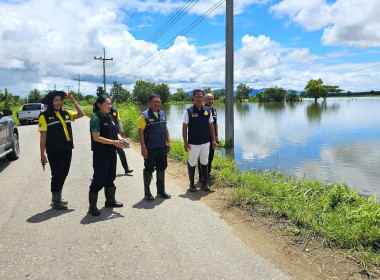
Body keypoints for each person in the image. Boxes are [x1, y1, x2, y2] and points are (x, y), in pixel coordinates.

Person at [39, 90, 84, 210]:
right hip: (54, 151)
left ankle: (57, 198)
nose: (58, 102)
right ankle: (56, 201)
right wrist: (42, 154)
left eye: (60, 100)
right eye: (56, 100)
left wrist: (73, 100)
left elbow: (81, 114)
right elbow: (43, 136)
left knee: (64, 174)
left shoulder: (65, 113)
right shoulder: (44, 116)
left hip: (67, 148)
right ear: (51, 101)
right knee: (57, 175)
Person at [88, 95, 126, 216]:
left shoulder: (110, 117)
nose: (110, 106)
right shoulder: (95, 119)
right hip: (100, 154)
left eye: (111, 104)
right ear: (99, 105)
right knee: (98, 180)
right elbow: (96, 137)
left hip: (111, 153)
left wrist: (121, 139)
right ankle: (92, 207)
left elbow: (115, 133)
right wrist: (113, 142)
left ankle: (110, 201)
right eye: (107, 104)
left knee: (111, 178)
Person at [138, 94, 171, 201]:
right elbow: (141, 131)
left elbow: (165, 128)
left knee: (162, 167)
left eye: (158, 102)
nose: (157, 104)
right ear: (149, 103)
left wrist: (169, 141)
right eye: (154, 102)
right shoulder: (144, 115)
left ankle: (160, 191)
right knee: (149, 169)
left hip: (162, 147)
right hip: (150, 148)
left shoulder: (162, 113)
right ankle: (147, 192)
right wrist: (143, 147)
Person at [182, 89, 216, 192]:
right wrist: (185, 142)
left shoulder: (207, 110)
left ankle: (205, 183)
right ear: (193, 97)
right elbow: (184, 128)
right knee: (192, 162)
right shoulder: (188, 111)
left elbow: (211, 125)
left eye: (201, 96)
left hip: (206, 142)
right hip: (193, 143)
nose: (199, 98)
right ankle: (192, 184)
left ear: (203, 98)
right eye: (197, 96)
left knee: (204, 162)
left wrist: (213, 140)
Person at [109, 96, 133, 174]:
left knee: (121, 152)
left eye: (112, 102)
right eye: (109, 102)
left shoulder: (115, 111)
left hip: (116, 135)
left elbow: (119, 122)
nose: (110, 104)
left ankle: (126, 168)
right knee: (109, 154)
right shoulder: (102, 112)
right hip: (107, 136)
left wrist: (122, 133)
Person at [197, 92, 218, 182]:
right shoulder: (201, 110)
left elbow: (215, 123)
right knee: (202, 155)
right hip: (203, 136)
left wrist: (216, 135)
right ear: (204, 100)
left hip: (212, 137)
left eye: (212, 99)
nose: (210, 101)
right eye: (208, 99)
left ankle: (208, 173)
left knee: (211, 155)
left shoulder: (214, 110)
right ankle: (201, 175)